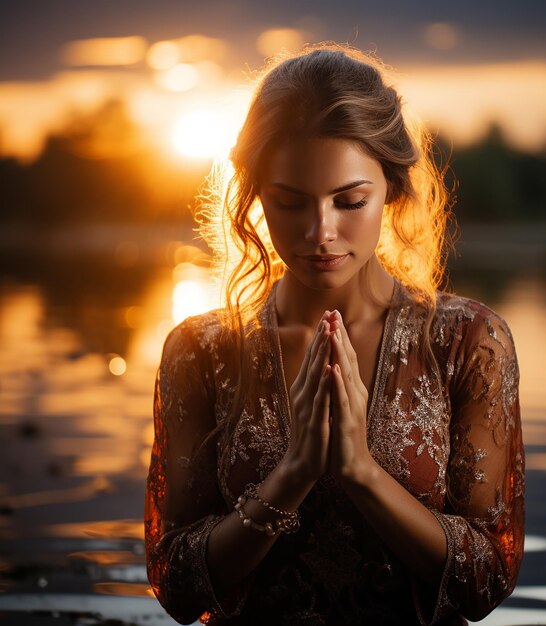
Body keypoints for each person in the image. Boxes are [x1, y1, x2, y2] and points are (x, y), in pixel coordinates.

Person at [144, 43, 525, 625]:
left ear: (392, 189)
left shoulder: (468, 342)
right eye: (289, 202)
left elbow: (487, 579)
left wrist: (362, 473)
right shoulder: (202, 352)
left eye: (350, 201)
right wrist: (291, 476)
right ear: (254, 196)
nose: (321, 232)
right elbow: (177, 585)